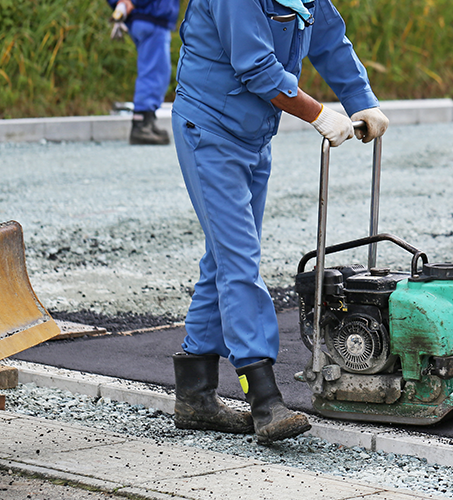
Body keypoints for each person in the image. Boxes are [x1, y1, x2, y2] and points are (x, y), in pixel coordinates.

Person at [169, 0, 389, 444]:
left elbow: (329, 42)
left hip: (253, 137)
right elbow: (257, 68)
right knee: (239, 259)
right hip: (209, 131)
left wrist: (363, 101)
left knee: (222, 258)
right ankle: (264, 400)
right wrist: (318, 113)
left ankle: (195, 396)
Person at [108, 0, 179, 145]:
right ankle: (142, 123)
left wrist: (119, 3)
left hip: (139, 17)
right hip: (151, 15)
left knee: (151, 68)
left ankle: (147, 121)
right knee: (155, 71)